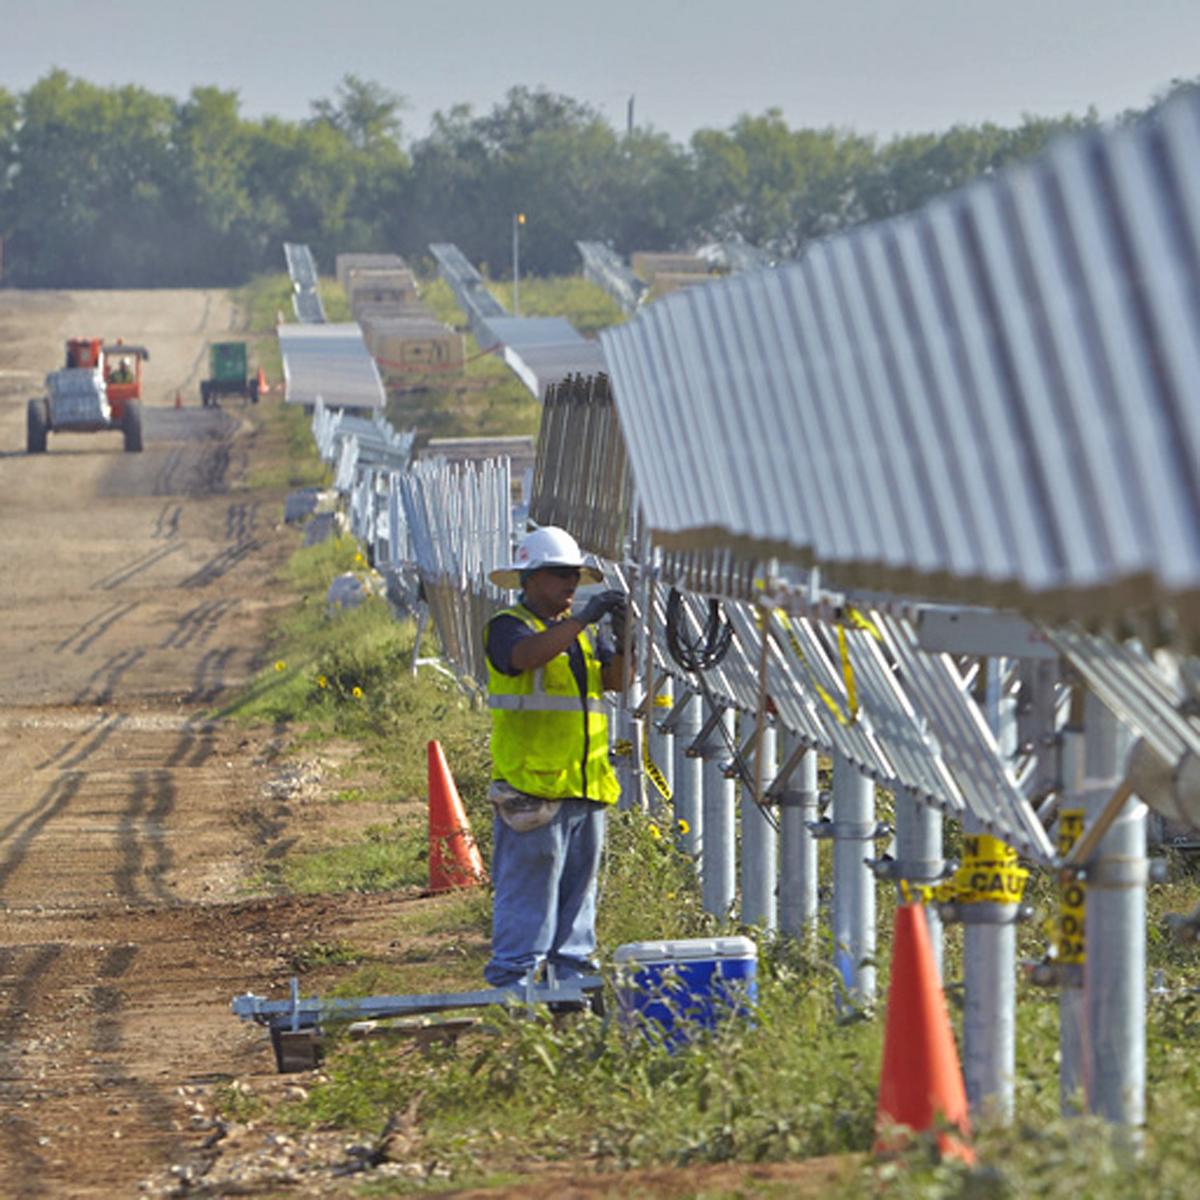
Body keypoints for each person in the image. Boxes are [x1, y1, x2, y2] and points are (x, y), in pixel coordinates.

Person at [483, 525, 628, 988]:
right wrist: (583, 621)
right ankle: (513, 990)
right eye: (559, 575)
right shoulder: (509, 627)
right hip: (534, 790)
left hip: (584, 788)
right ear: (529, 579)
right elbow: (524, 657)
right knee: (529, 900)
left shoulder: (578, 637)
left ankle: (571, 991)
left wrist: (624, 638)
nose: (570, 584)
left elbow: (616, 680)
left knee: (577, 905)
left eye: (574, 576)